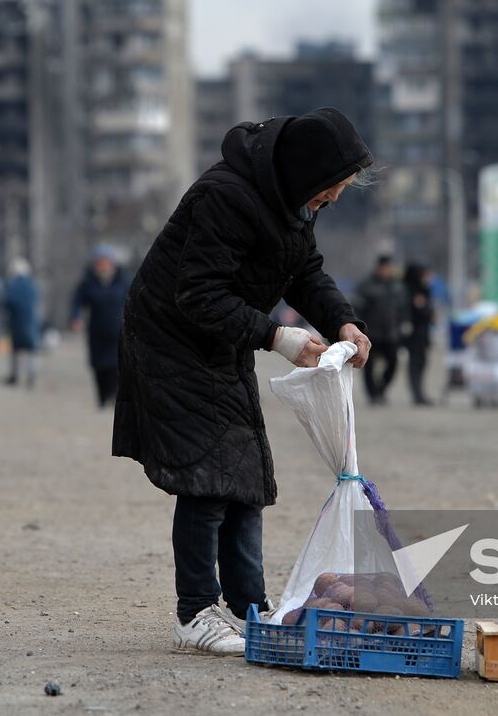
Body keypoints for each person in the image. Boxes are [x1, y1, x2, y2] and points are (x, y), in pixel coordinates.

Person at [114, 107, 374, 656]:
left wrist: (343, 320)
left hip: (221, 341)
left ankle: (248, 607)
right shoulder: (227, 196)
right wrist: (278, 338)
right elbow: (197, 294)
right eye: (332, 188)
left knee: (245, 476)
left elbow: (304, 272)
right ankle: (196, 611)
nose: (334, 200)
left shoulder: (293, 203)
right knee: (206, 477)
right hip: (171, 339)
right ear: (306, 173)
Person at [70, 246, 129, 409]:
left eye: (106, 261)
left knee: (116, 365)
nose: (102, 265)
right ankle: (102, 399)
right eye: (99, 262)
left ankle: (114, 398)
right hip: (96, 332)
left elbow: (135, 299)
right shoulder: (88, 282)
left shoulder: (123, 280)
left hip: (118, 331)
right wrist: (76, 318)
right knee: (98, 366)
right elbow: (77, 301)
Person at [354, 255, 405, 405]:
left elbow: (402, 308)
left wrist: (402, 325)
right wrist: (359, 329)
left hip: (390, 334)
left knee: (393, 362)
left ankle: (381, 388)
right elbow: (356, 308)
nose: (387, 271)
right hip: (370, 333)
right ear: (378, 268)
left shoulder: (395, 287)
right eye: (385, 268)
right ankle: (373, 394)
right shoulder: (366, 285)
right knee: (368, 366)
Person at [402, 262, 436, 406]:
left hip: (423, 334)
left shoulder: (424, 291)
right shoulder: (408, 292)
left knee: (421, 363)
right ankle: (417, 394)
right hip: (414, 335)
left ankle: (420, 393)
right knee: (415, 364)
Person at [3, 258, 40, 388]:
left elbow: (9, 302)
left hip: (17, 322)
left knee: (16, 350)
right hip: (30, 321)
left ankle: (15, 375)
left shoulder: (13, 285)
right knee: (30, 350)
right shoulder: (31, 285)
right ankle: (31, 375)